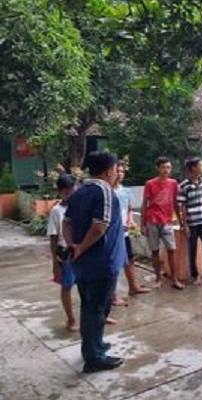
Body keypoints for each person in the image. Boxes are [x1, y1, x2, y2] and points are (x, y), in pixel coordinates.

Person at [63, 151, 126, 373]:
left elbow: (67, 222)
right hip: (101, 262)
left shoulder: (79, 193)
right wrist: (80, 247)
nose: (117, 173)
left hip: (84, 263)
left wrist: (74, 246)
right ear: (109, 170)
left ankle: (94, 344)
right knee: (96, 308)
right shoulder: (105, 190)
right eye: (116, 169)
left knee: (92, 306)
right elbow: (99, 226)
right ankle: (94, 357)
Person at [141, 156, 184, 290]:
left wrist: (181, 221)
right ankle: (158, 278)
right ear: (157, 168)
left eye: (168, 167)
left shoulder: (173, 183)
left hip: (167, 221)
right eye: (163, 167)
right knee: (155, 251)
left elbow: (176, 203)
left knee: (171, 249)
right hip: (152, 220)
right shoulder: (150, 184)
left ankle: (174, 279)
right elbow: (144, 204)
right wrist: (143, 224)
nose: (166, 170)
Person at [112, 160, 150, 307]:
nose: (120, 174)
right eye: (118, 171)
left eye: (122, 171)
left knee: (129, 260)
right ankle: (113, 295)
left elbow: (128, 209)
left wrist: (130, 221)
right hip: (113, 233)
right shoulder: (107, 191)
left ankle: (133, 286)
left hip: (125, 232)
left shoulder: (125, 191)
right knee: (114, 264)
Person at [47, 174, 78, 332]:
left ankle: (98, 316)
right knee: (67, 285)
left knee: (87, 285)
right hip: (65, 253)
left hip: (82, 250)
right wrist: (55, 263)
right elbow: (53, 238)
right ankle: (71, 319)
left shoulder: (81, 206)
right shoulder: (56, 211)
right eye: (66, 191)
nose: (69, 194)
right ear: (59, 192)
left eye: (72, 191)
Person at [178, 157, 202, 285]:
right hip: (192, 223)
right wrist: (185, 225)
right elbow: (182, 206)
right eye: (201, 165)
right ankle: (194, 275)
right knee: (192, 250)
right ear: (193, 168)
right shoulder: (184, 186)